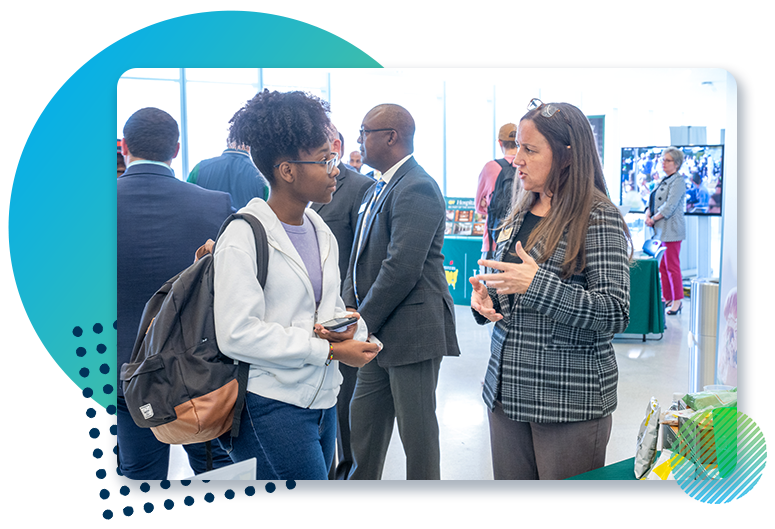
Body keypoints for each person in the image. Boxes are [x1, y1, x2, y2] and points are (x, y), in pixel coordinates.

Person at [213, 90, 380, 480]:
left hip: (322, 402)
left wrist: (356, 331)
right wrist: (329, 351)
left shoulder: (318, 228)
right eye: (325, 160)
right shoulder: (244, 233)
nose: (335, 169)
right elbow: (237, 334)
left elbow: (330, 310)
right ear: (287, 171)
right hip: (270, 404)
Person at [471, 99, 632, 480]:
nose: (516, 159)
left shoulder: (597, 216)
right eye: (518, 148)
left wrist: (536, 284)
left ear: (566, 156)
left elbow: (614, 312)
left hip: (566, 402)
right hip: (506, 393)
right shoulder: (521, 211)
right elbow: (512, 291)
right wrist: (488, 300)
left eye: (530, 149)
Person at [342, 103, 461, 480]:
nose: (358, 140)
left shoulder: (417, 186)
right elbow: (358, 258)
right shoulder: (377, 187)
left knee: (417, 435)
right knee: (363, 426)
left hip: (412, 332)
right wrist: (349, 309)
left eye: (364, 132)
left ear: (391, 137)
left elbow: (402, 268)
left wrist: (362, 321)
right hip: (376, 332)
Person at [117, 107, 234, 479]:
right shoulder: (214, 204)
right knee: (215, 471)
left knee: (138, 475)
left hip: (121, 368)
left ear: (124, 148)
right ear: (177, 150)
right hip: (199, 371)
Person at [309, 123, 374, 479]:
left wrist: (349, 315)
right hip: (304, 320)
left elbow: (361, 257)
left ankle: (343, 477)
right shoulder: (295, 191)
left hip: (340, 317)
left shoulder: (361, 188)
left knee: (343, 408)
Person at [645, 146, 686, 315]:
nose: (663, 163)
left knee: (672, 267)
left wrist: (653, 218)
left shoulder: (678, 181)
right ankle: (667, 297)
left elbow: (669, 206)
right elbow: (652, 200)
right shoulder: (664, 179)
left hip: (672, 230)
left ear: (676, 164)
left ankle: (677, 301)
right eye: (662, 160)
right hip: (660, 230)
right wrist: (648, 212)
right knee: (663, 267)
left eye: (667, 160)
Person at [475, 123, 517, 267]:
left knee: (488, 287)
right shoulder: (526, 166)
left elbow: (479, 208)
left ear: (500, 143)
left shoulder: (490, 167)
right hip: (521, 244)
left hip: (493, 243)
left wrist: (489, 203)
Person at [187, 138, 268, 210]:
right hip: (245, 226)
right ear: (250, 146)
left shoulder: (200, 168)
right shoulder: (262, 176)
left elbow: (186, 201)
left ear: (227, 141)